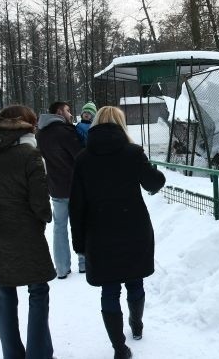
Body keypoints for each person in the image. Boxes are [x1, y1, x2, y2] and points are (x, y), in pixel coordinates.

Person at [69, 106, 165, 359]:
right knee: (135, 281)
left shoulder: (82, 159)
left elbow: (76, 205)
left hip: (99, 233)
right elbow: (154, 182)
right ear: (121, 125)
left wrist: (79, 243)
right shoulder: (133, 153)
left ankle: (119, 348)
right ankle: (137, 324)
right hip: (134, 228)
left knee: (109, 290)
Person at [0, 105, 56, 359]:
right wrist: (45, 216)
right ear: (25, 125)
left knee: (4, 296)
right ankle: (39, 354)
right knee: (38, 292)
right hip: (28, 238)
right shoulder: (30, 155)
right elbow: (41, 206)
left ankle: (12, 355)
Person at [36, 101, 85, 279]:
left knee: (59, 227)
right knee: (79, 223)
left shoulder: (41, 134)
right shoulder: (65, 132)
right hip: (75, 187)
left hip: (55, 187)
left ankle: (62, 268)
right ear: (59, 112)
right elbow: (80, 157)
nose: (71, 114)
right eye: (68, 111)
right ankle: (84, 263)